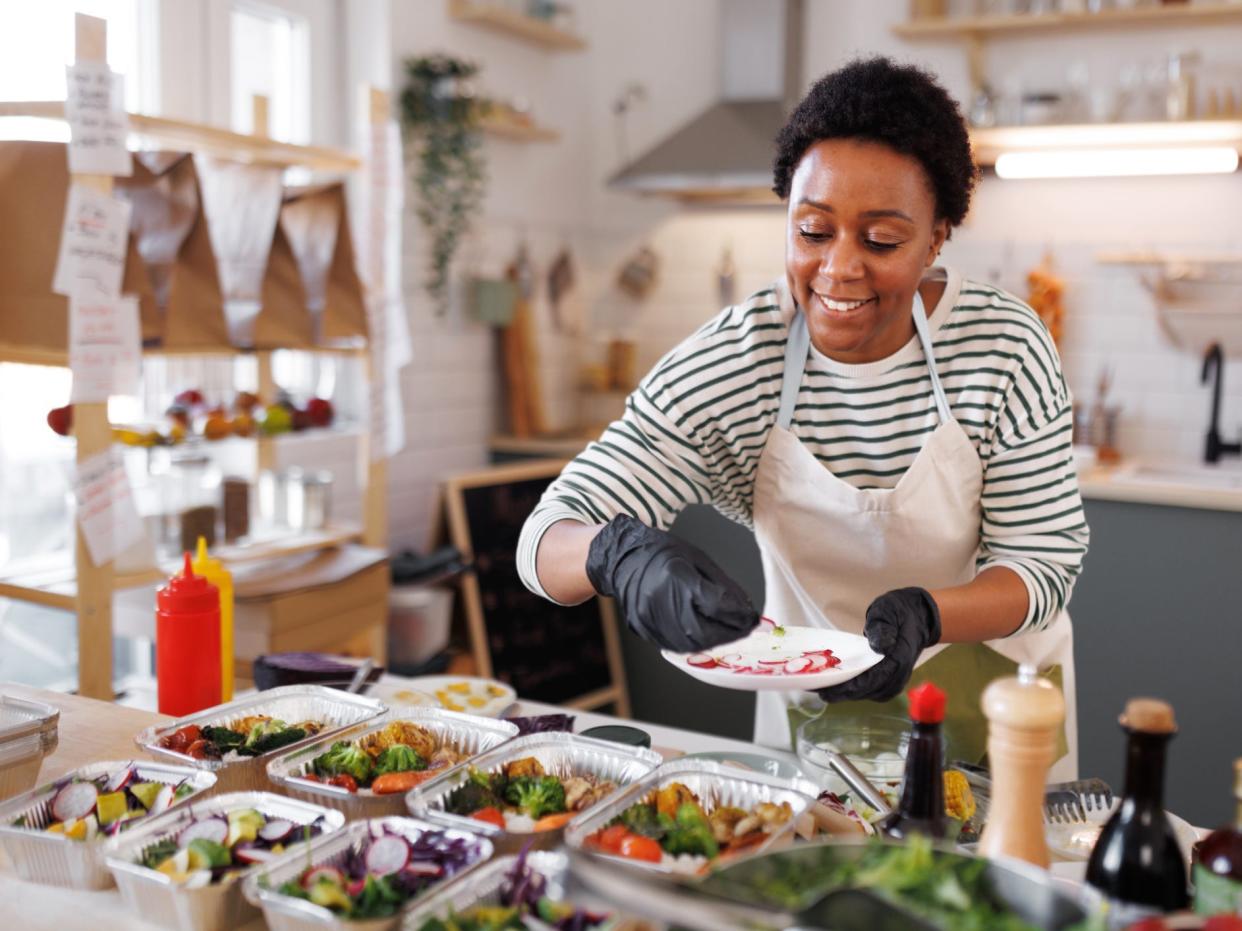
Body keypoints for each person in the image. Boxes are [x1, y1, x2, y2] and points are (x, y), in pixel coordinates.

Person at [516, 57, 1088, 778]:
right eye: (813, 231)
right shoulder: (740, 360)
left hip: (997, 718)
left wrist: (928, 616)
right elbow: (543, 541)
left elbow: (1040, 564)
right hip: (815, 726)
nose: (840, 269)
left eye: (881, 240)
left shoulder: (1002, 346)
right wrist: (615, 556)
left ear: (937, 237)